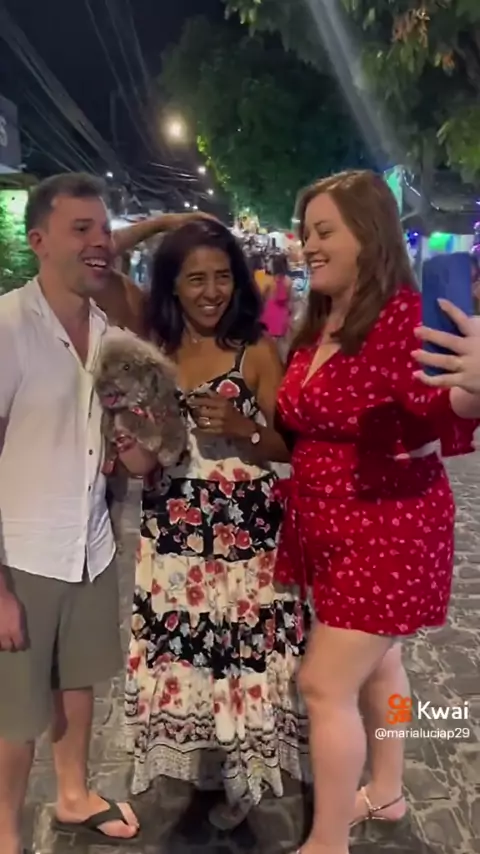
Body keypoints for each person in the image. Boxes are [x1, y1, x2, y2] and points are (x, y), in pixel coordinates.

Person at [273, 170, 479, 854]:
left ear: (370, 235)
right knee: (383, 663)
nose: (308, 245)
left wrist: (475, 385)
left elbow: (441, 405)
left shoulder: (402, 319)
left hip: (388, 531)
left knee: (323, 683)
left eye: (324, 231)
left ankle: (327, 842)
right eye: (305, 232)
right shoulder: (320, 320)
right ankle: (386, 791)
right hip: (330, 530)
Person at [122, 219, 310, 830]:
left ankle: (247, 773)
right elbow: (100, 271)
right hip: (174, 535)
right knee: (192, 654)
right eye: (195, 278)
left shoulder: (254, 349)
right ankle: (206, 766)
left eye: (222, 276)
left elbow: (290, 445)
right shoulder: (153, 352)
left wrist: (242, 427)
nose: (211, 292)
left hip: (244, 536)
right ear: (171, 286)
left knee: (241, 654)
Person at [0, 173, 142, 854]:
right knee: (13, 710)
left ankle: (74, 795)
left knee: (76, 682)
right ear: (39, 240)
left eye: (104, 229)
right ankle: (5, 831)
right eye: (80, 228)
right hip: (22, 553)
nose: (99, 242)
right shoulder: (8, 327)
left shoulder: (110, 336)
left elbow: (111, 442)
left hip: (90, 543)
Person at [261, 254, 292, 358]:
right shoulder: (288, 281)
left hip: (269, 315)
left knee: (268, 345)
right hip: (283, 315)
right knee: (282, 346)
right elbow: (290, 299)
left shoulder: (269, 281)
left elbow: (262, 297)